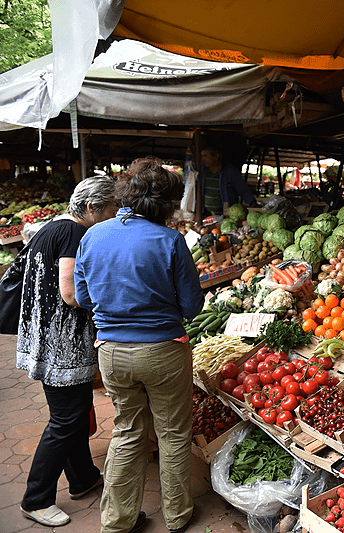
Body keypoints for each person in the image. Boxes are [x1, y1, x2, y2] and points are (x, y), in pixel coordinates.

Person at [74, 157, 204, 533]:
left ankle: (117, 521)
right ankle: (178, 516)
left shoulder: (93, 236)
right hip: (163, 351)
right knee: (173, 433)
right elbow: (193, 306)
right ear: (166, 204)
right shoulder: (170, 240)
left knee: (127, 430)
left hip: (112, 353)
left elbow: (83, 297)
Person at [16, 175, 118, 528]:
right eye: (110, 209)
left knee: (74, 413)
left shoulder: (51, 228)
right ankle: (36, 498)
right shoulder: (75, 235)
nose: (114, 216)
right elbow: (71, 294)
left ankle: (83, 477)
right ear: (91, 208)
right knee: (65, 420)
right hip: (62, 345)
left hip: (42, 338)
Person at [199, 145, 256, 215]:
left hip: (225, 215)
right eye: (202, 156)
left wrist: (253, 203)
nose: (203, 159)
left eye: (205, 156)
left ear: (216, 157)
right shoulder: (203, 171)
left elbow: (243, 190)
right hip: (206, 215)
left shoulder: (230, 171)